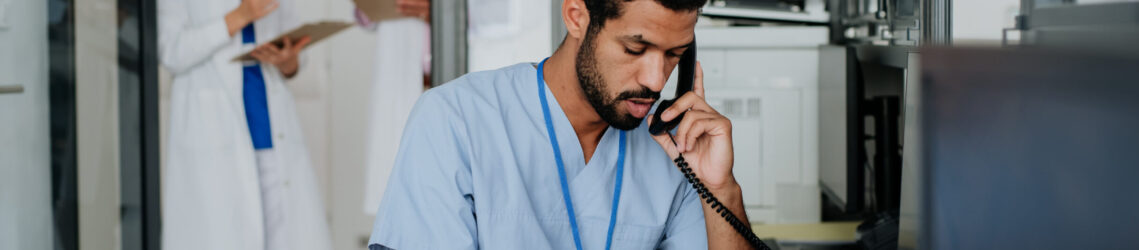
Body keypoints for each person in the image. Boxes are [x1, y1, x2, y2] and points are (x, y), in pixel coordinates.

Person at [369, 0, 755, 249]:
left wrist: (721, 190)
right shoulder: (455, 121)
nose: (656, 81)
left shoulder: (678, 152)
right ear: (576, 17)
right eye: (635, 49)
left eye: (675, 55)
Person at [157, 0, 332, 249]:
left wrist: (288, 61)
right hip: (212, 133)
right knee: (219, 234)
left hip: (273, 131)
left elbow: (297, 54)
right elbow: (170, 51)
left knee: (287, 234)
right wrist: (238, 17)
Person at [353, 0, 432, 215]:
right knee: (406, 203)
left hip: (458, 71)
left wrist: (442, 11)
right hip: (403, 81)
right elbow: (366, 18)